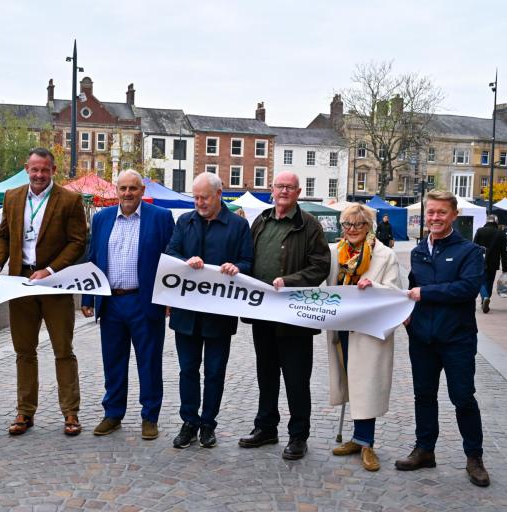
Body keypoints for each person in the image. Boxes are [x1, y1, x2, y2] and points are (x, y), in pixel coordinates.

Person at [0, 148, 87, 437]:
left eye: (45, 170)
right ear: (26, 168)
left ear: (53, 171)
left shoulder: (70, 199)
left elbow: (78, 241)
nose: (39, 175)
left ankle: (70, 413)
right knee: (24, 351)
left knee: (63, 350)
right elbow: (3, 235)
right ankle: (25, 412)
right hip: (20, 282)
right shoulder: (12, 197)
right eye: (34, 169)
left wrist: (51, 270)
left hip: (54, 284)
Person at [396, 190, 489, 487]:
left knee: (462, 397)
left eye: (441, 213)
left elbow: (466, 289)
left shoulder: (469, 251)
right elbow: (412, 287)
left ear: (454, 215)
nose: (435, 218)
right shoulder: (418, 251)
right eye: (431, 212)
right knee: (424, 396)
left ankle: (474, 457)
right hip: (422, 338)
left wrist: (426, 294)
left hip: (457, 339)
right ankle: (425, 450)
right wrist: (406, 312)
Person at [238, 170, 330, 460]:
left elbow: (320, 267)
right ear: (272, 189)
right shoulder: (261, 220)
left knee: (296, 378)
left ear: (298, 192)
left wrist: (290, 281)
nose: (284, 192)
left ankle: (298, 435)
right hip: (263, 313)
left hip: (295, 316)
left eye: (289, 188)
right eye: (279, 187)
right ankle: (266, 427)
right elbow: (248, 258)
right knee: (266, 374)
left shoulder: (310, 225)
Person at [81, 170, 174, 440]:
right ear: (116, 190)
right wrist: (88, 298)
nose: (128, 193)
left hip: (144, 301)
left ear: (142, 190)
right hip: (111, 302)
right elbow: (93, 259)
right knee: (113, 362)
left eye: (133, 188)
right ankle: (113, 413)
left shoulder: (160, 218)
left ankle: (150, 416)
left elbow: (172, 258)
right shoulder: (101, 219)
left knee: (149, 361)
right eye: (123, 188)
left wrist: (169, 298)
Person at [165, 172, 253, 449]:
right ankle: (189, 421)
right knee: (187, 370)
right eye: (195, 197)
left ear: (218, 194)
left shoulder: (238, 226)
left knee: (215, 372)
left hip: (219, 313)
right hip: (187, 314)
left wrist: (236, 268)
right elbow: (170, 253)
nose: (199, 202)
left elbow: (248, 262)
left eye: (204, 197)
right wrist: (184, 260)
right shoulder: (184, 221)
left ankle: (208, 424)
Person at [326, 204, 401, 471]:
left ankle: (366, 442)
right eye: (347, 224)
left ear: (368, 227)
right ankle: (357, 439)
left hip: (369, 330)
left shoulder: (385, 255)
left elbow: (395, 293)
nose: (352, 230)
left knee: (366, 382)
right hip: (343, 327)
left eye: (358, 225)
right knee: (350, 379)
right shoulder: (336, 252)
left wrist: (374, 287)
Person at [473, 214, 507, 313]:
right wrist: (505, 268)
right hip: (494, 262)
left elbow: (474, 247)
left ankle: (485, 297)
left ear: (487, 221)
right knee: (490, 282)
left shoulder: (480, 231)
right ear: (496, 222)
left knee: (481, 282)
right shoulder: (501, 233)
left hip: (480, 261)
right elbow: (503, 252)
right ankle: (486, 298)